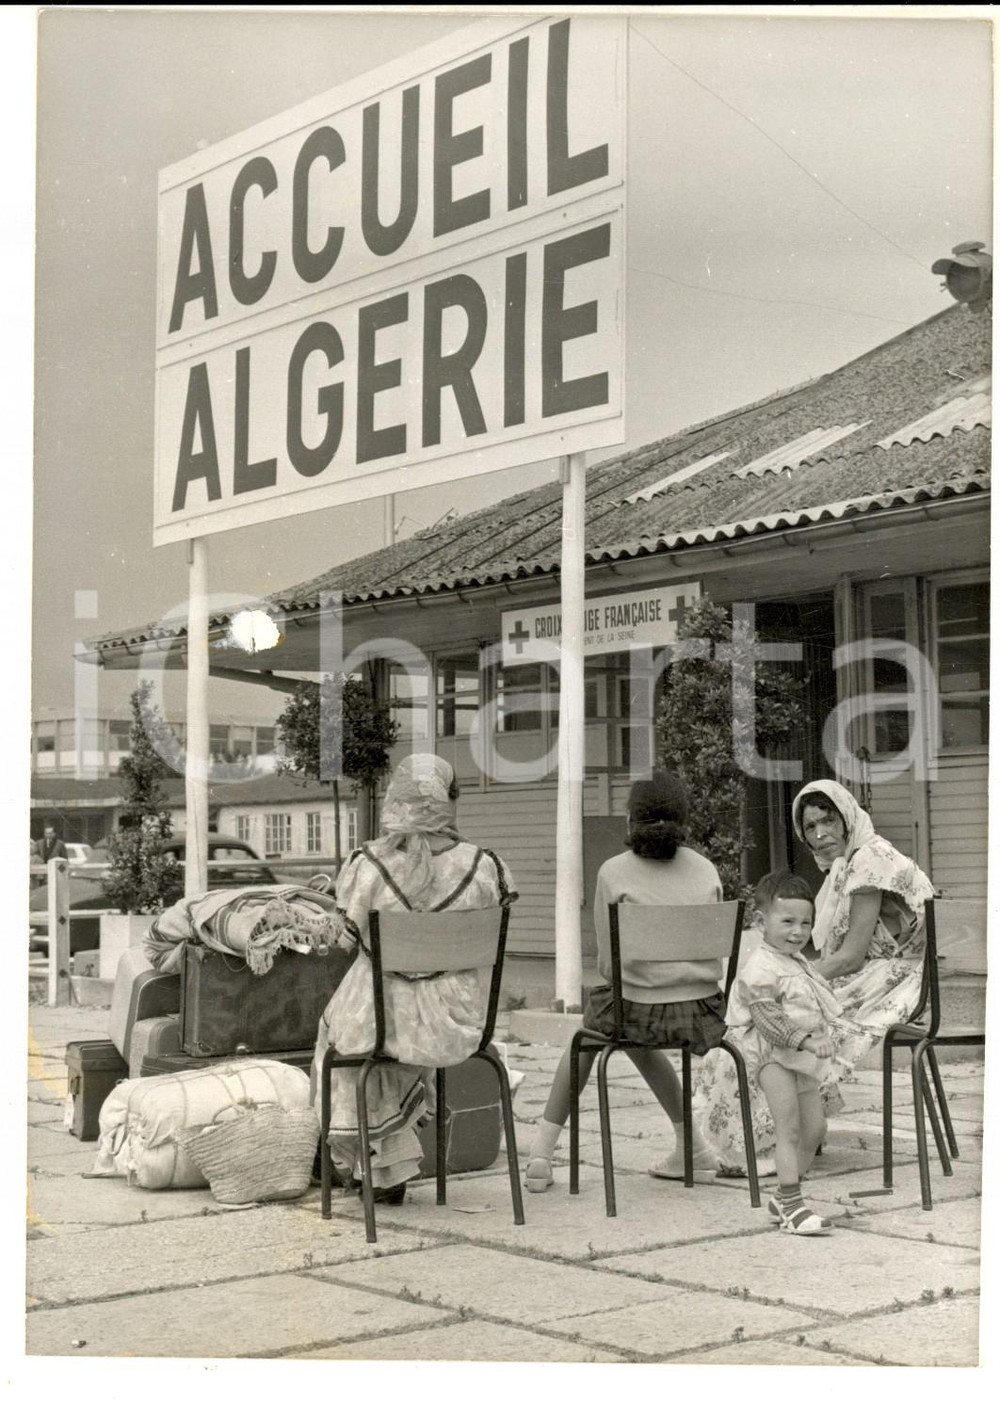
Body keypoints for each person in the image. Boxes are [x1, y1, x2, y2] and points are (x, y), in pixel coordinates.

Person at [694, 778, 935, 1174]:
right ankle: (782, 1134)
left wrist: (783, 980)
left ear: (848, 818)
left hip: (890, 983)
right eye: (809, 827)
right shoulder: (849, 864)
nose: (820, 834)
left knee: (774, 1032)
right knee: (766, 1025)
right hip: (874, 978)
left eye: (828, 820)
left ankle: (774, 1145)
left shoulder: (871, 861)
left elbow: (849, 957)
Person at [311, 753, 517, 1204]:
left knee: (339, 1032)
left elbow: (344, 942)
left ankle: (374, 1161)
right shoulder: (485, 866)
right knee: (396, 1026)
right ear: (451, 800)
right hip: (459, 1023)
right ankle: (387, 1163)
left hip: (381, 1023)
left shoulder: (367, 863)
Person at [524, 770, 726, 1193]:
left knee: (592, 1035)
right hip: (703, 1014)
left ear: (630, 820)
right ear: (682, 820)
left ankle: (542, 1153)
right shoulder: (706, 870)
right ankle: (693, 1146)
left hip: (637, 1011)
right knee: (635, 1032)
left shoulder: (613, 872)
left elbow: (607, 967)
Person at [725, 871, 841, 1236]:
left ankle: (782, 1197)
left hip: (798, 1056)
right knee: (788, 1128)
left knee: (815, 1128)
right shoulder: (760, 967)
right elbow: (768, 1020)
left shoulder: (796, 962)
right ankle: (793, 1207)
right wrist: (807, 1040)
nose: (798, 931)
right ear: (762, 922)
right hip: (770, 1056)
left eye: (805, 922)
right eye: (787, 921)